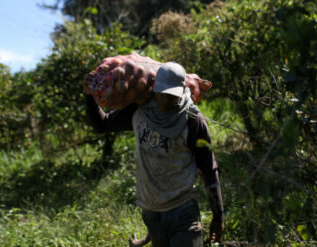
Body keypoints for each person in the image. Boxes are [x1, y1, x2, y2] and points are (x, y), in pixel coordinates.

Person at [84, 62, 224, 247]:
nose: (166, 100)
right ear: (154, 89)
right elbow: (102, 124)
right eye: (162, 94)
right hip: (151, 213)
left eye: (172, 96)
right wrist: (89, 95)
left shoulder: (192, 120)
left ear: (182, 92)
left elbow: (208, 169)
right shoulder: (140, 111)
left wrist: (218, 215)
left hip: (182, 210)